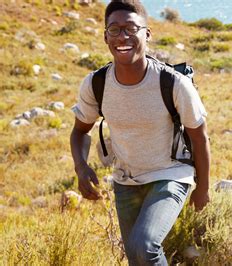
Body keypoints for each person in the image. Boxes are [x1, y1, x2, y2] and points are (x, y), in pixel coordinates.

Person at [69, 0, 210, 264]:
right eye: (114, 30)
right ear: (105, 37)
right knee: (136, 256)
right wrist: (81, 166)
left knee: (143, 247)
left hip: (170, 174)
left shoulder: (173, 83)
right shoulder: (96, 84)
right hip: (126, 180)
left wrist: (202, 187)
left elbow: (199, 137)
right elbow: (79, 132)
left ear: (147, 33)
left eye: (131, 28)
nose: (122, 36)